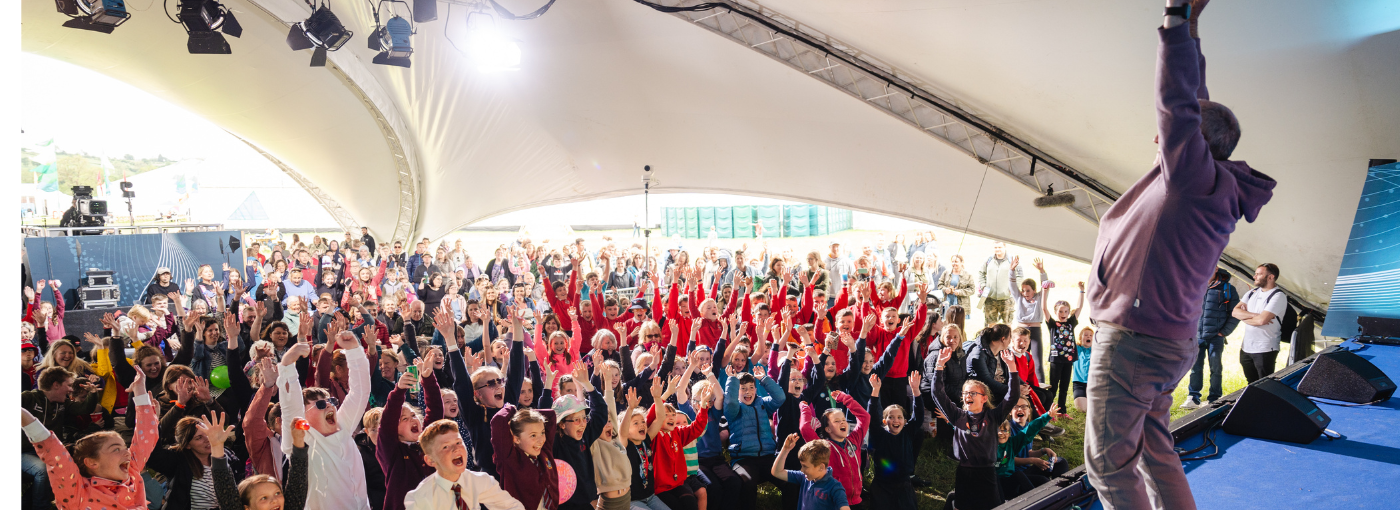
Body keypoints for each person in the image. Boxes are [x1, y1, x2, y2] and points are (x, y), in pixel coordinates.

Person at [1083, 0, 1276, 508]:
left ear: (1193, 144)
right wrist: (1192, 27)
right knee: (1152, 448)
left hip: (1133, 343)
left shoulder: (1189, 183)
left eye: (1174, 137)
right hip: (1165, 342)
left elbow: (1177, 104)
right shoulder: (1209, 183)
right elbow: (1193, 102)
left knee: (1108, 467)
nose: (1160, 140)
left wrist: (1173, 16)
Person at [21, 367, 156, 510]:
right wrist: (25, 418)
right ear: (92, 463)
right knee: (42, 470)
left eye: (124, 447)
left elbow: (145, 435)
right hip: (24, 452)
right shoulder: (76, 491)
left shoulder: (131, 472)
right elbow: (53, 451)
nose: (128, 452)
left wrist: (140, 390)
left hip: (37, 452)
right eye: (116, 449)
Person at [277, 325, 374, 510]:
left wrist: (354, 351)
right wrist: (287, 364)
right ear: (304, 415)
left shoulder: (344, 426)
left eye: (330, 401)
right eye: (320, 404)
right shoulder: (301, 441)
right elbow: (291, 408)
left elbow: (360, 392)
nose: (329, 405)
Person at [930, 348, 1021, 510]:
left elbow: (1012, 396)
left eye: (973, 393)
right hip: (965, 472)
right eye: (965, 393)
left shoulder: (993, 417)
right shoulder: (958, 416)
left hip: (987, 472)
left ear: (984, 398)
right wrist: (939, 366)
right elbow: (938, 393)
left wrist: (1012, 368)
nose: (968, 396)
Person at [404, 419, 527, 510]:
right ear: (430, 460)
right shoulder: (420, 498)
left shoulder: (480, 480)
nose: (456, 449)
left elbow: (512, 507)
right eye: (445, 447)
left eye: (458, 442)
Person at [865, 373, 924, 510]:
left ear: (905, 420)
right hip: (882, 485)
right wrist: (875, 391)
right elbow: (872, 417)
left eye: (899, 417)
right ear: (885, 422)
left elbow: (918, 416)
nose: (896, 420)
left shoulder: (908, 433)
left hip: (903, 483)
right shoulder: (879, 434)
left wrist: (915, 391)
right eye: (891, 417)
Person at [1184, 269, 1240, 408]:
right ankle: (1193, 397)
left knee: (1216, 368)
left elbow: (1235, 313)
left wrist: (1224, 332)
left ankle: (1214, 398)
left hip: (1216, 337)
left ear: (1216, 269)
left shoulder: (1228, 289)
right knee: (1195, 367)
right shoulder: (1195, 285)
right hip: (1196, 336)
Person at [1233, 263, 1287, 383]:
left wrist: (1245, 317)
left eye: (1259, 274)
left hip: (1265, 348)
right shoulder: (1252, 293)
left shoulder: (1278, 296)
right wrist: (1254, 315)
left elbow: (1262, 321)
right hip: (1246, 348)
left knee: (1265, 384)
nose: (1254, 276)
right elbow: (1235, 312)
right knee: (1251, 383)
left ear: (1270, 277)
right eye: (1255, 273)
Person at [768, 436, 850, 510]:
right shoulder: (803, 477)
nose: (802, 470)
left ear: (821, 467)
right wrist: (785, 449)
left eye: (805, 466)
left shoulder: (835, 488)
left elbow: (844, 507)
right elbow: (777, 472)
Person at [977, 242, 1021, 326]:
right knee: (990, 324)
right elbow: (981, 273)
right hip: (990, 298)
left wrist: (1014, 288)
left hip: (1006, 298)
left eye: (1000, 247)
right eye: (995, 247)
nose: (997, 249)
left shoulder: (1011, 260)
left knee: (1007, 324)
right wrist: (983, 286)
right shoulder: (989, 260)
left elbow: (1019, 275)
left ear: (1005, 247)